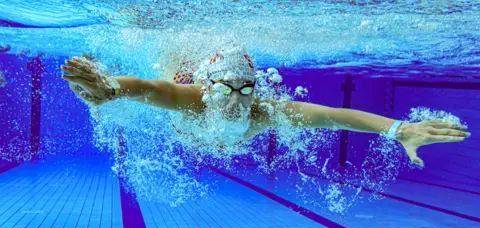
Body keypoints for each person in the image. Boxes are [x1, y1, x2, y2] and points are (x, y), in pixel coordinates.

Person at [61, 48, 470, 166]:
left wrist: (399, 130)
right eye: (225, 89)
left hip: (217, 139)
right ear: (208, 89)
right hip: (188, 125)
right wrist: (112, 89)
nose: (238, 99)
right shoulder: (193, 100)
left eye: (247, 88)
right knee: (169, 73)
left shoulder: (266, 110)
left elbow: (337, 117)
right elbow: (150, 89)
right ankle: (100, 87)